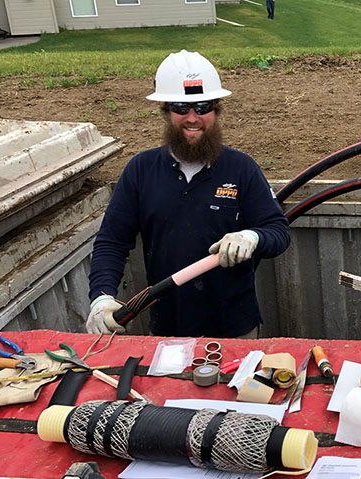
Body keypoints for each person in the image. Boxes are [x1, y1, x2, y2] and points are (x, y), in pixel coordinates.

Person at [86, 50, 290, 338]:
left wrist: (252, 237)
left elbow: (278, 231)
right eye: (181, 107)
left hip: (235, 326)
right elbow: (112, 241)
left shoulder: (241, 168)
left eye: (203, 106)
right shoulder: (141, 170)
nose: (193, 118)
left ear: (216, 111)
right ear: (166, 111)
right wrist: (102, 297)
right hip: (169, 325)